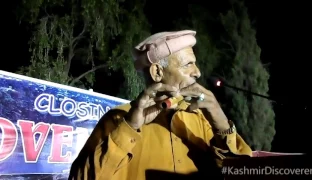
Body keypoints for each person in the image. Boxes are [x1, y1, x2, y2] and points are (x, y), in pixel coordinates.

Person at [68, 30, 252, 180]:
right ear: (157, 71)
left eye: (195, 64)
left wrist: (219, 118)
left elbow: (241, 172)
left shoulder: (200, 119)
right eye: (188, 64)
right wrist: (129, 128)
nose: (197, 73)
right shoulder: (117, 119)